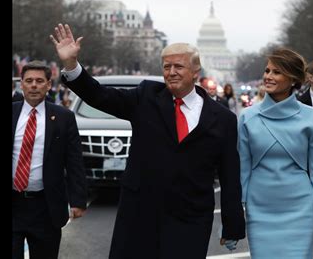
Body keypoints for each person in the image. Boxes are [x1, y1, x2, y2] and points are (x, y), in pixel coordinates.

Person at [50, 23, 245, 259]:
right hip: (140, 214)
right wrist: (72, 65)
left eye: (178, 66)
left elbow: (229, 174)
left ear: (196, 72)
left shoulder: (222, 118)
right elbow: (100, 95)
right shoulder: (146, 97)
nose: (171, 72)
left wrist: (232, 224)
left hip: (190, 218)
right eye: (167, 66)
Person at [238, 47, 313, 259]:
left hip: (300, 211)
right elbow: (241, 170)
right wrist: (234, 216)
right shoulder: (247, 118)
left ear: (292, 79)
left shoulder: (311, 118)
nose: (268, 76)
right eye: (267, 71)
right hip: (259, 210)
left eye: (276, 72)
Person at [12, 60, 87, 259]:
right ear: (22, 84)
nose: (34, 85)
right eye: (29, 81)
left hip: (46, 207)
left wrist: (78, 200)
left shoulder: (64, 117)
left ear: (48, 85)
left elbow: (74, 161)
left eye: (39, 81)